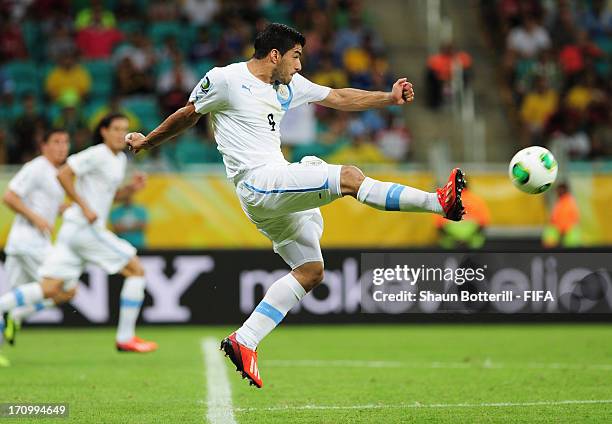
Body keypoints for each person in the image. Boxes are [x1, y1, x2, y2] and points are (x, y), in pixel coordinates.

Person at [126, 23, 465, 388]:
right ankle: (437, 202)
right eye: (296, 56)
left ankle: (245, 340)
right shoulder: (224, 79)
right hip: (258, 182)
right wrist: (147, 142)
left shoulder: (287, 87)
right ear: (275, 55)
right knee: (348, 176)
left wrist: (388, 97)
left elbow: (337, 97)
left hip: (275, 188)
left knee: (311, 271)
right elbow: (189, 114)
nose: (300, 65)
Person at [0, 114, 157, 353]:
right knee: (136, 270)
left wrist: (129, 190)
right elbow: (63, 173)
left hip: (72, 231)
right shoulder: (97, 153)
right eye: (115, 128)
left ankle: (5, 307)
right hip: (85, 229)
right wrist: (84, 207)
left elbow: (106, 197)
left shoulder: (119, 160)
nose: (119, 133)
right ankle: (125, 337)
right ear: (103, 131)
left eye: (124, 129)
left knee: (53, 288)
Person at [1, 129, 71, 367]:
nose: (62, 147)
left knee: (14, 296)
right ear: (44, 146)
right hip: (30, 242)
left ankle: (11, 318)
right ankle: (15, 314)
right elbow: (10, 197)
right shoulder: (37, 167)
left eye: (65, 142)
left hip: (20, 245)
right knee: (67, 287)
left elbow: (50, 205)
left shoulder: (56, 173)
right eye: (56, 142)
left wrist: (63, 211)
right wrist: (36, 218)